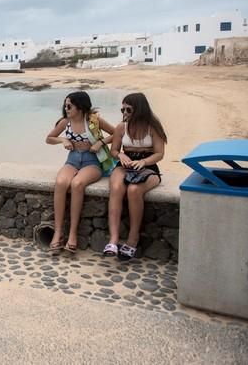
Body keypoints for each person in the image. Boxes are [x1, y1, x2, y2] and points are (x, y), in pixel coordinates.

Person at [45, 91, 114, 254]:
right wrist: (63, 140)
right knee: (61, 183)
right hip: (73, 160)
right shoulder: (65, 122)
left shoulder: (93, 120)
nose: (66, 108)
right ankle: (58, 232)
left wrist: (100, 142)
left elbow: (116, 132)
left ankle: (73, 234)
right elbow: (49, 138)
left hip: (92, 161)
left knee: (77, 184)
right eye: (65, 105)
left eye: (69, 105)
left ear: (80, 107)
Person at [104, 92, 167, 260]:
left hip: (148, 166)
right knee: (116, 188)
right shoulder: (121, 127)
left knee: (133, 190)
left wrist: (144, 162)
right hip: (125, 164)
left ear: (139, 109)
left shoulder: (152, 127)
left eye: (128, 109)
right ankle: (114, 239)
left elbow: (160, 153)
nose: (124, 113)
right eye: (122, 109)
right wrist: (121, 156)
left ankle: (133, 239)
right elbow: (114, 150)